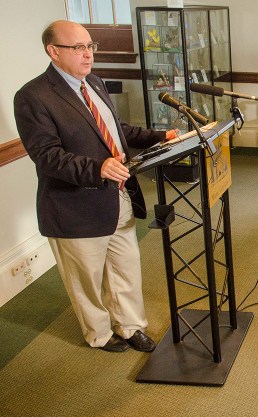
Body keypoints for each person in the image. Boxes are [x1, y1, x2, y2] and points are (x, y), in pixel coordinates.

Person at [13, 20, 177, 352]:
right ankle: (99, 333)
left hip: (117, 198)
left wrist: (160, 137)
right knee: (85, 280)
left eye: (90, 46)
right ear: (53, 52)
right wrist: (98, 168)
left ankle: (130, 326)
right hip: (74, 206)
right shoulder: (33, 96)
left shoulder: (95, 83)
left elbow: (117, 132)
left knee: (125, 268)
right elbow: (47, 156)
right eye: (79, 48)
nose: (88, 54)